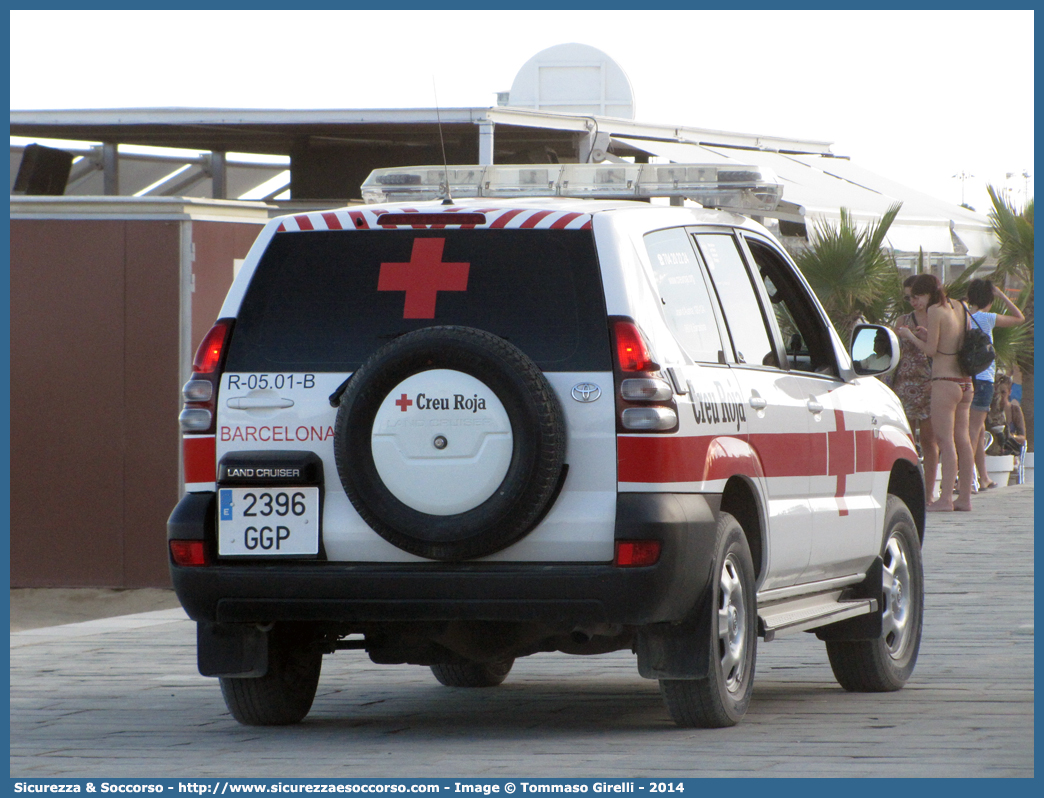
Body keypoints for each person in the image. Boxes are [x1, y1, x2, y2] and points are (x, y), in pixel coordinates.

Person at [897, 274, 974, 511]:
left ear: (929, 293)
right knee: (964, 440)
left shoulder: (935, 311)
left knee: (945, 442)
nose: (915, 301)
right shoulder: (960, 306)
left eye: (918, 296)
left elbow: (931, 352)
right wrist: (927, 335)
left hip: (944, 381)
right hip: (966, 382)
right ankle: (964, 498)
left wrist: (911, 336)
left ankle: (945, 499)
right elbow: (954, 342)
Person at [965, 279, 1024, 489]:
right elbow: (1019, 318)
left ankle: (983, 477)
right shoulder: (987, 318)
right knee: (973, 431)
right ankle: (967, 480)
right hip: (984, 379)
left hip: (965, 377)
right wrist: (1001, 295)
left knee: (979, 429)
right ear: (988, 300)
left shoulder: (962, 316)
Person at [891, 275, 939, 499]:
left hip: (930, 382)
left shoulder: (936, 318)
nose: (912, 301)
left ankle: (929, 492)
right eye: (909, 297)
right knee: (907, 439)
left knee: (929, 440)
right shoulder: (903, 320)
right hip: (905, 381)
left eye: (915, 296)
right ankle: (909, 491)